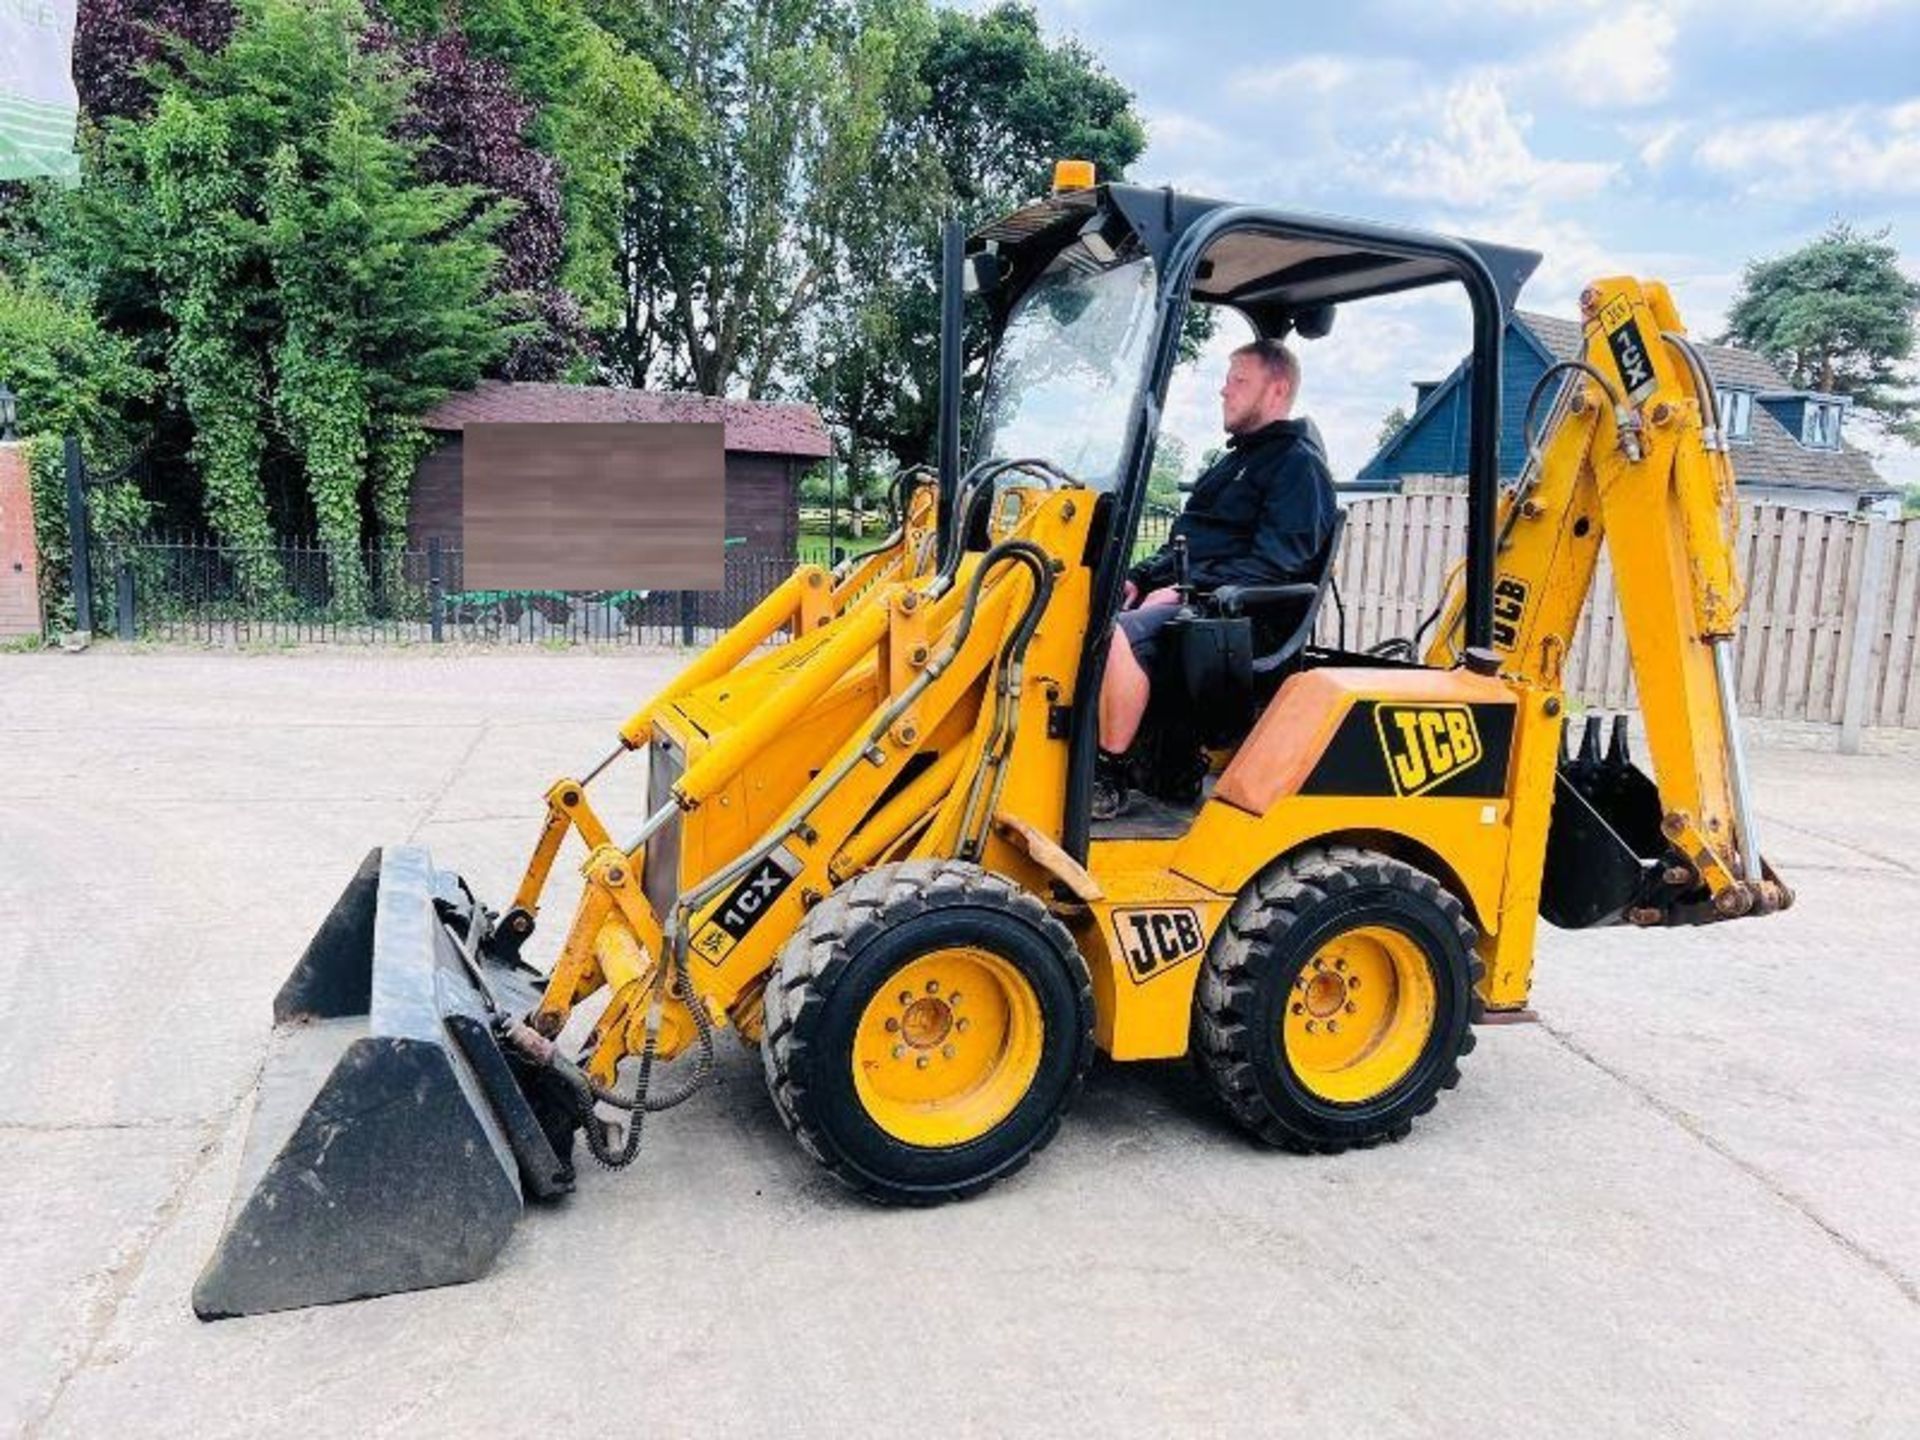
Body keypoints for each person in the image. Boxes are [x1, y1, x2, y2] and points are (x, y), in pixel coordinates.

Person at [1094, 336, 1336, 820]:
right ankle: (1153, 763)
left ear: (1277, 390)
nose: (1224, 392)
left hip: (1243, 617)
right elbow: (1187, 543)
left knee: (1113, 633)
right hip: (1202, 601)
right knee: (1079, 612)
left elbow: (1278, 565)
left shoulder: (1298, 467)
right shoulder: (1233, 463)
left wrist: (1189, 592)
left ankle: (1105, 773)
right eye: (1227, 381)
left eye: (1238, 381)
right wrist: (1138, 579)